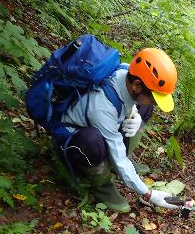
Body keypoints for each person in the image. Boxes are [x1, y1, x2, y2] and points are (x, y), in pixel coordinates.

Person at [59, 48, 180, 213]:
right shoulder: (101, 108)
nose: (156, 103)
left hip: (107, 124)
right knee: (91, 140)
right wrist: (149, 194)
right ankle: (102, 185)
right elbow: (117, 149)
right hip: (77, 140)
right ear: (137, 85)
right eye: (154, 98)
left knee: (144, 108)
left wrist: (135, 114)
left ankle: (119, 164)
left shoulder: (125, 71)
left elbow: (126, 100)